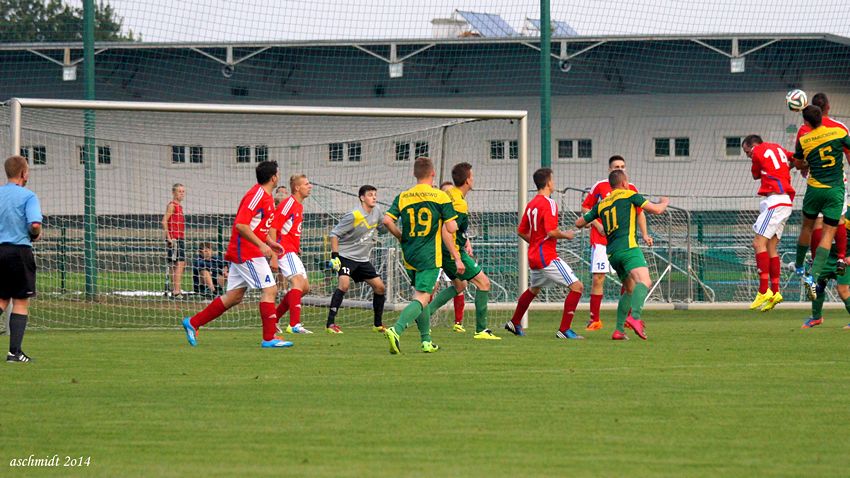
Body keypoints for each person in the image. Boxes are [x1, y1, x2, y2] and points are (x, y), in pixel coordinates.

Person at [181, 161, 290, 348]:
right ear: (273, 177)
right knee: (270, 290)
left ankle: (193, 322)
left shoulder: (266, 197)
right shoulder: (256, 195)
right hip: (246, 252)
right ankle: (269, 337)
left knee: (234, 296)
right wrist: (261, 246)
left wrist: (270, 243)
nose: (278, 177)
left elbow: (257, 227)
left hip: (249, 250)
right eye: (278, 174)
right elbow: (241, 224)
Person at [382, 157, 463, 354]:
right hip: (430, 254)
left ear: (414, 174)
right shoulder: (440, 196)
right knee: (423, 296)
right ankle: (396, 329)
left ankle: (426, 340)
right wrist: (451, 222)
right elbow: (451, 227)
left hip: (409, 254)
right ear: (433, 173)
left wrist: (401, 236)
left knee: (423, 296)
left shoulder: (403, 196)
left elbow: (386, 220)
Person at [576, 169, 669, 340]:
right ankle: (635, 318)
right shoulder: (630, 195)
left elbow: (579, 222)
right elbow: (656, 210)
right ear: (625, 183)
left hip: (612, 253)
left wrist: (595, 224)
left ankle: (619, 330)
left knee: (629, 289)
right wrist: (664, 202)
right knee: (645, 280)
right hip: (628, 248)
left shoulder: (602, 203)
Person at [505, 167, 585, 340]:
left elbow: (521, 230)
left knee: (534, 289)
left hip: (534, 255)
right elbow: (551, 232)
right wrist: (566, 235)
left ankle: (515, 322)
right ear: (548, 182)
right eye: (553, 180)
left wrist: (535, 242)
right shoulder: (549, 203)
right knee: (577, 287)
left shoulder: (532, 203)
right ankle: (564, 330)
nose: (554, 183)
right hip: (546, 256)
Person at [426, 163, 500, 340]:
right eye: (472, 176)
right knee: (484, 283)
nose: (473, 179)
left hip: (442, 248)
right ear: (467, 180)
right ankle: (481, 330)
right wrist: (457, 257)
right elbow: (447, 229)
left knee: (460, 285)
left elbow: (451, 226)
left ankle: (423, 314)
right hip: (451, 251)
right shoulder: (458, 203)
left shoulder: (449, 194)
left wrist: (465, 240)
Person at [581, 155, 649, 331]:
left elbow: (640, 212)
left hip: (624, 242)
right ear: (609, 170)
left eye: (622, 166)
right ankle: (595, 319)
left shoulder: (631, 188)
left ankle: (627, 319)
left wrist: (645, 234)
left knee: (630, 281)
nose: (620, 168)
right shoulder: (600, 186)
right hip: (601, 241)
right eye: (616, 166)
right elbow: (586, 207)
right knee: (598, 277)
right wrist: (597, 225)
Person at [792, 105, 850, 299]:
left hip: (814, 190)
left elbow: (799, 164)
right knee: (828, 233)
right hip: (835, 192)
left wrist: (809, 161)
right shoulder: (838, 132)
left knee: (807, 228)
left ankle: (799, 265)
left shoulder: (804, 140)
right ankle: (813, 278)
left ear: (806, 123)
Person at [742, 135, 795, 312]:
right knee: (771, 248)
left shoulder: (758, 151)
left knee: (758, 243)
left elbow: (755, 174)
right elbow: (793, 158)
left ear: (753, 145)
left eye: (747, 151)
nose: (748, 155)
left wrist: (758, 162)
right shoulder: (778, 148)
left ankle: (763, 290)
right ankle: (775, 291)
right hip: (786, 201)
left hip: (775, 200)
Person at [325, 185, 387, 334]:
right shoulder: (354, 215)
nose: (374, 197)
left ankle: (377, 324)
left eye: (375, 195)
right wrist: (335, 256)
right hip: (346, 256)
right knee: (344, 285)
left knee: (380, 287)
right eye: (370, 194)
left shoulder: (377, 211)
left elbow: (382, 229)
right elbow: (334, 234)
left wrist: (392, 222)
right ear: (362, 198)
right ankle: (330, 324)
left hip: (362, 259)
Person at [1, 155, 42, 363]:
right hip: (19, 252)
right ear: (24, 173)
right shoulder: (28, 196)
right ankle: (14, 353)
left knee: (0, 299)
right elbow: (34, 224)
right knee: (20, 301)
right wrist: (35, 233)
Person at [270, 174, 313, 334]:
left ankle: (273, 319)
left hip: (291, 249)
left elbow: (289, 229)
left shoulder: (298, 206)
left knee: (305, 288)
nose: (310, 186)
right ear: (297, 188)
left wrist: (297, 246)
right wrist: (274, 255)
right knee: (297, 283)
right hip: (283, 250)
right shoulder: (288, 204)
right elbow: (273, 228)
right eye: (306, 184)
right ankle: (294, 324)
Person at [801, 221, 850, 329]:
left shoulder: (846, 212)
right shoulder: (820, 212)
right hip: (825, 258)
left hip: (843, 259)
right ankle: (816, 317)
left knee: (842, 289)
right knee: (814, 286)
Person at [431, 181, 465, 332]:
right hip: (438, 253)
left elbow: (458, 231)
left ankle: (458, 323)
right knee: (432, 287)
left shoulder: (454, 210)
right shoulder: (439, 209)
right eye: (446, 192)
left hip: (451, 253)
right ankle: (426, 318)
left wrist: (467, 243)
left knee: (460, 285)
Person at [162, 183, 187, 298]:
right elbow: (164, 221)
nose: (181, 193)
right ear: (173, 193)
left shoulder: (180, 207)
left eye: (183, 191)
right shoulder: (172, 205)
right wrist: (169, 237)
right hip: (175, 239)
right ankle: (177, 291)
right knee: (179, 263)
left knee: (177, 263)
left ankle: (175, 289)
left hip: (180, 238)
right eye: (179, 191)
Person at [273, 186, 290, 292]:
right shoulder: (274, 212)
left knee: (285, 268)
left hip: (288, 244)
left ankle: (283, 288)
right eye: (280, 193)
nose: (282, 196)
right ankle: (281, 289)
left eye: (284, 193)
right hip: (277, 244)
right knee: (279, 268)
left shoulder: (291, 211)